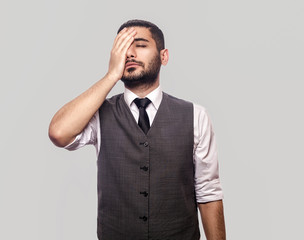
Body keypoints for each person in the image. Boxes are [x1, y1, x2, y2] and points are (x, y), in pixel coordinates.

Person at [49, 19, 226, 240]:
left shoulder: (196, 116)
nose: (130, 53)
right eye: (123, 47)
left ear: (164, 56)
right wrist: (111, 76)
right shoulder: (98, 114)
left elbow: (208, 193)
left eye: (140, 45)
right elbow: (59, 132)